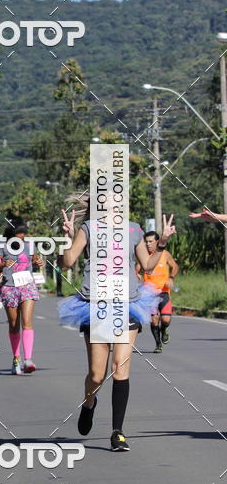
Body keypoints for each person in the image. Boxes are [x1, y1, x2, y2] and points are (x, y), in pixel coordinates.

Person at [59, 193, 175, 452]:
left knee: (120, 368)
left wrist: (163, 242)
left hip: (127, 304)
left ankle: (117, 432)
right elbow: (67, 262)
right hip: (97, 305)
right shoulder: (89, 228)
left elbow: (147, 264)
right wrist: (67, 237)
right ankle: (89, 403)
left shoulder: (134, 229)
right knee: (97, 374)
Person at [0, 224, 44, 375]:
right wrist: (2, 263)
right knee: (13, 325)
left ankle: (28, 360)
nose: (22, 236)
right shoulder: (3, 247)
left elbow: (36, 258)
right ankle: (16, 359)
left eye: (24, 234)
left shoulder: (30, 245)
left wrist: (38, 261)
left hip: (27, 285)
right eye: (19, 233)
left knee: (27, 321)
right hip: (9, 287)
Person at [136, 231, 179, 353]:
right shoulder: (143, 256)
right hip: (149, 295)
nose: (148, 244)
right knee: (155, 320)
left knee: (165, 320)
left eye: (151, 241)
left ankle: (164, 330)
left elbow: (175, 266)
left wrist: (171, 277)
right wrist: (137, 275)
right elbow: (136, 270)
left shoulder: (165, 254)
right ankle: (158, 344)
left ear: (157, 242)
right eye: (146, 242)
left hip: (164, 292)